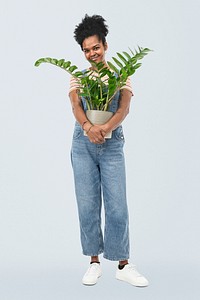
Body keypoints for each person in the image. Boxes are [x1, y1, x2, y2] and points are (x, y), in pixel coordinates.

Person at [69, 14, 148, 287]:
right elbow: (76, 106)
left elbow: (124, 107)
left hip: (111, 144)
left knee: (117, 206)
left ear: (105, 45)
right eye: (86, 50)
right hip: (83, 144)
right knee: (88, 204)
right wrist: (88, 127)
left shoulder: (121, 75)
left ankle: (123, 264)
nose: (92, 53)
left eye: (96, 47)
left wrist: (104, 128)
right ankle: (93, 262)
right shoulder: (78, 76)